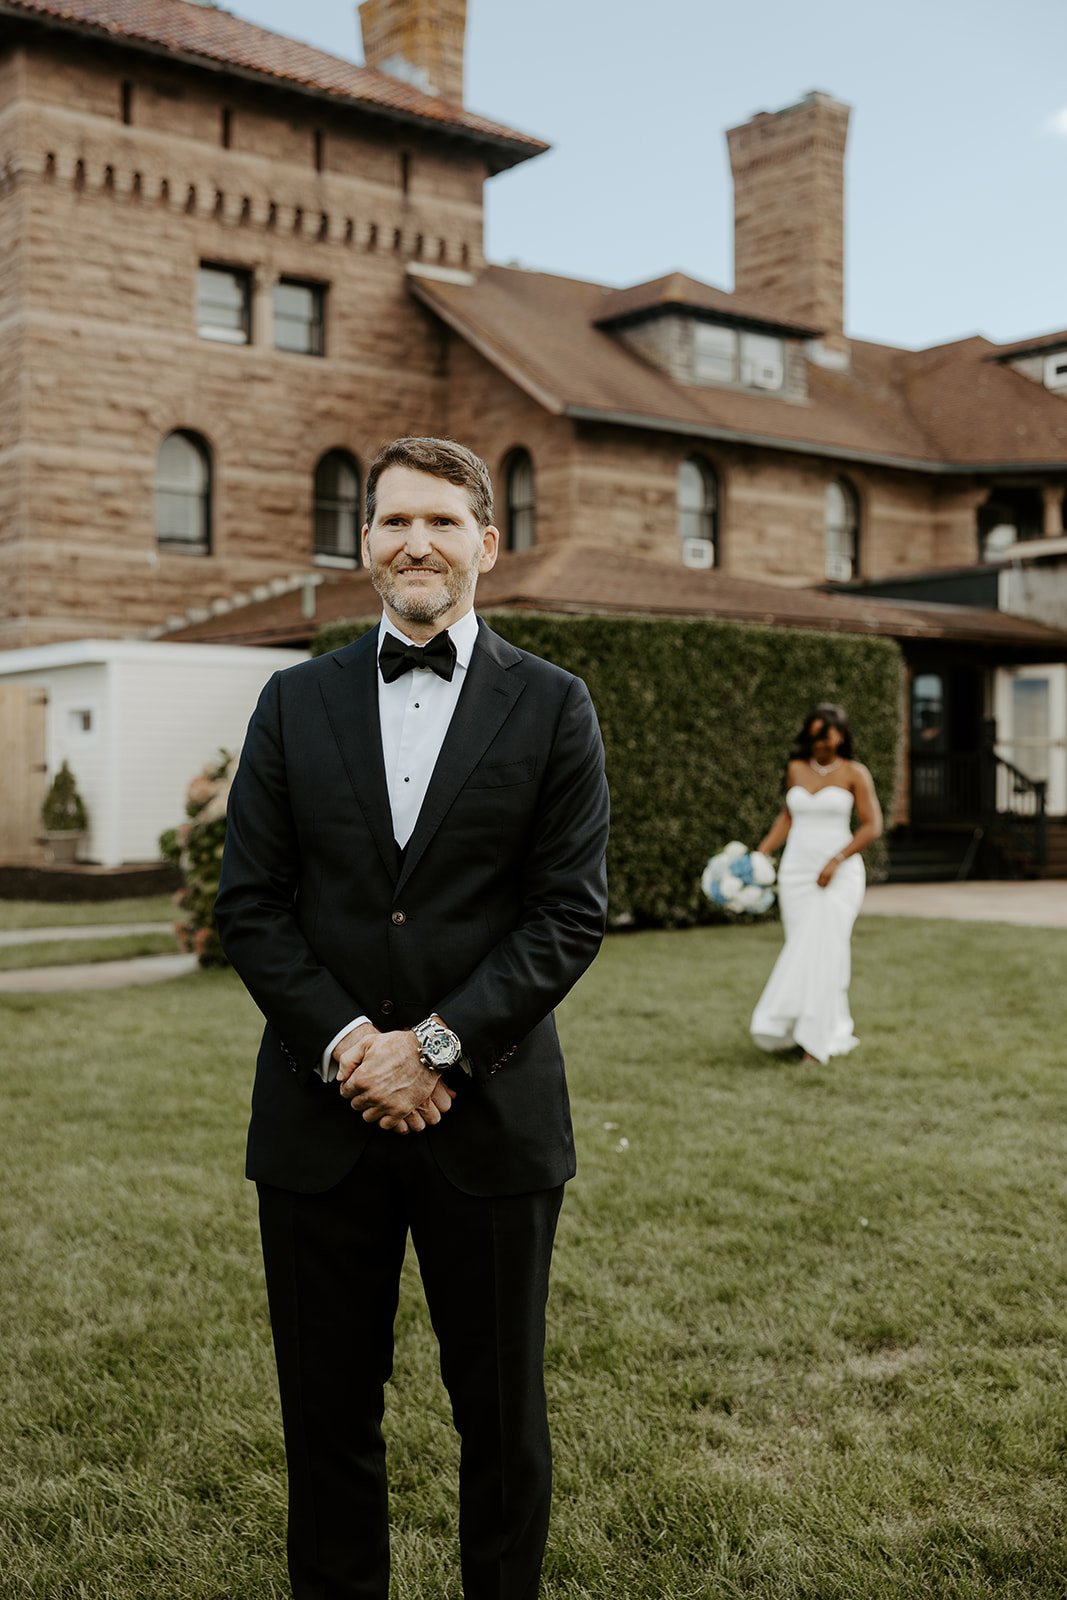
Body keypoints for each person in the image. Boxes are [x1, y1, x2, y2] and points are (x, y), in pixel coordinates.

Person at [214, 436, 610, 1600]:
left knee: (501, 1425)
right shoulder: (291, 702)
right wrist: (352, 1049)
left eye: (441, 521)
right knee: (326, 1426)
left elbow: (566, 912)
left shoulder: (553, 706)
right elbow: (252, 903)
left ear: (487, 543)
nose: (415, 543)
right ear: (363, 545)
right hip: (314, 1124)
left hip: (490, 1128)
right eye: (392, 522)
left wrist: (435, 1048)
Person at [750, 703, 883, 1064]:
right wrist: (760, 854)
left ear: (841, 736)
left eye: (826, 738)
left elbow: (872, 825)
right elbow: (788, 816)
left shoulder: (856, 773)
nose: (820, 746)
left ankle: (816, 1041)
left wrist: (837, 859)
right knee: (801, 949)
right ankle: (804, 1027)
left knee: (827, 948)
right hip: (796, 871)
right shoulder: (795, 768)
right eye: (814, 739)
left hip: (839, 871)